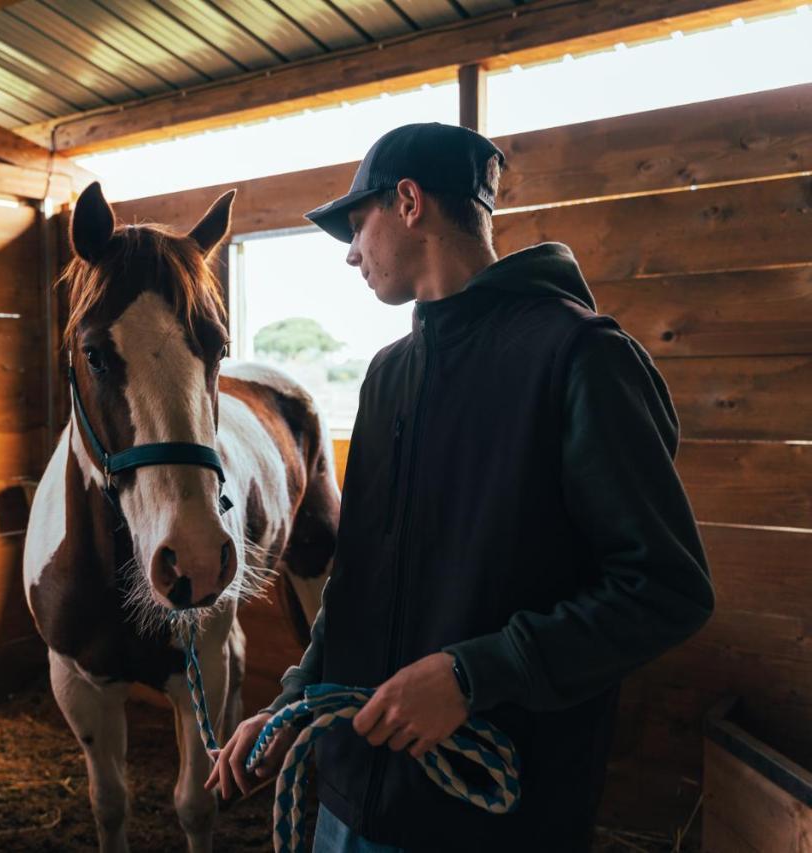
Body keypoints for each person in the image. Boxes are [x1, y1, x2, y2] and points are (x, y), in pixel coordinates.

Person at [205, 123, 715, 851]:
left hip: (487, 816)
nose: (351, 253)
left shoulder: (583, 359)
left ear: (408, 202)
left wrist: (471, 676)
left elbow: (665, 588)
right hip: (348, 798)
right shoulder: (386, 377)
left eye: (357, 225)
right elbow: (356, 588)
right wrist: (291, 710)